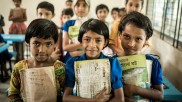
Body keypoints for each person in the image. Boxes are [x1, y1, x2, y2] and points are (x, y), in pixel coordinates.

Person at [63, 18, 124, 102]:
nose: (92, 45)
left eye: (98, 40)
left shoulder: (112, 63)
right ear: (81, 41)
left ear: (105, 43)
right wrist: (95, 101)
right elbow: (66, 97)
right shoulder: (72, 63)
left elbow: (120, 99)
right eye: (87, 40)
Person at [8, 19, 65, 102]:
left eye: (48, 44)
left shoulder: (60, 68)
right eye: (36, 43)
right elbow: (12, 94)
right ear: (28, 43)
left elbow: (66, 94)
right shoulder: (19, 68)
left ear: (54, 44)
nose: (42, 50)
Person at [118, 11, 163, 101]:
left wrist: (134, 89)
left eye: (138, 38)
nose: (131, 44)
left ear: (145, 40)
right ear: (120, 35)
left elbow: (160, 96)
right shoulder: (112, 61)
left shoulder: (152, 63)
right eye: (127, 36)